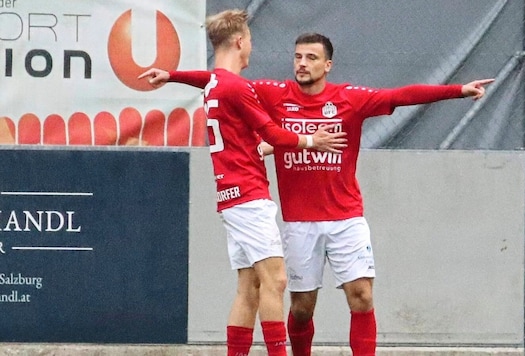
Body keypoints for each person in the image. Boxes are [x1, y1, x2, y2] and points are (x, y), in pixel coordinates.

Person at [142, 33, 492, 355]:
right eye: (297, 57)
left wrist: (458, 90)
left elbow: (400, 95)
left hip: (346, 219)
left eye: (311, 57)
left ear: (327, 65)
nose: (302, 64)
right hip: (300, 224)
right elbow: (222, 82)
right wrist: (172, 76)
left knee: (362, 297)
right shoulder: (275, 94)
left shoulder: (349, 99)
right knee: (301, 308)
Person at [139, 11, 347, 356]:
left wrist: (172, 75)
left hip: (230, 196)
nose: (251, 46)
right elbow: (273, 134)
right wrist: (313, 141)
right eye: (249, 39)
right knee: (276, 280)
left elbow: (208, 77)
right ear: (239, 42)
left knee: (248, 286)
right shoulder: (235, 87)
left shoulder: (216, 84)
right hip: (248, 196)